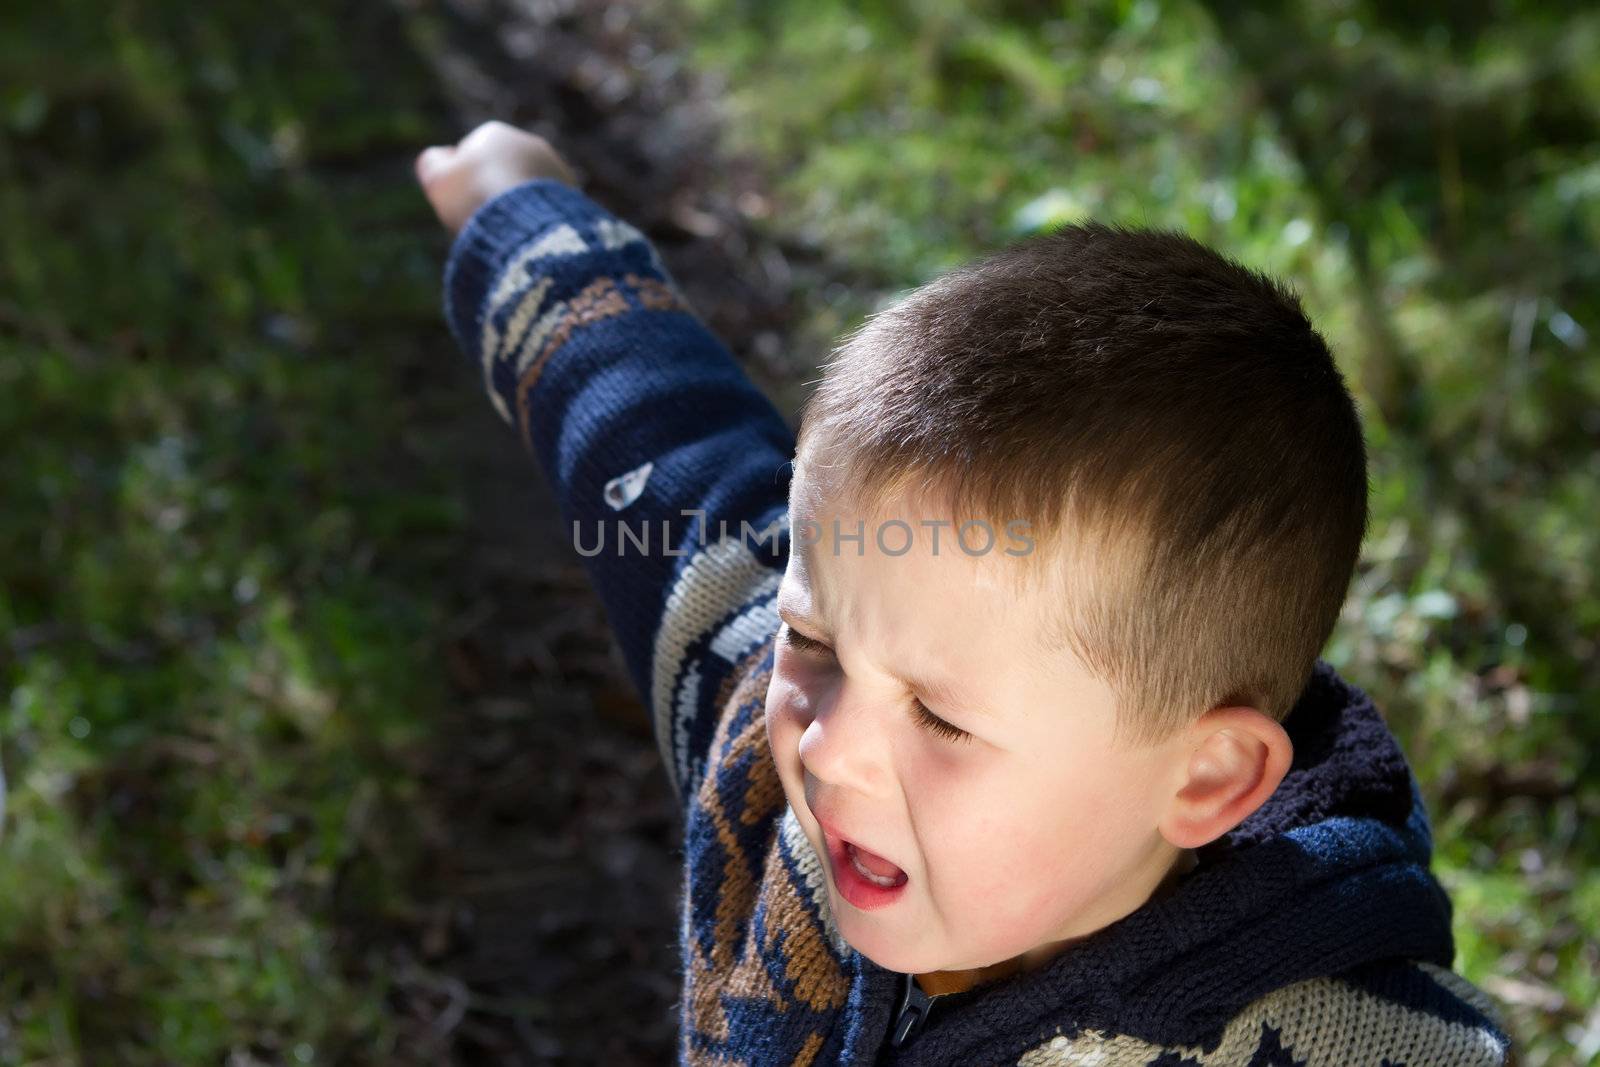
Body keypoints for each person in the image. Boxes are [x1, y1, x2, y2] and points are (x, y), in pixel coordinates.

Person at [416, 120, 1515, 1065]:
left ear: (1206, 775)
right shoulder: (771, 762)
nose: (827, 743)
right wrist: (518, 207)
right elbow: (665, 441)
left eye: (939, 714)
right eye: (812, 635)